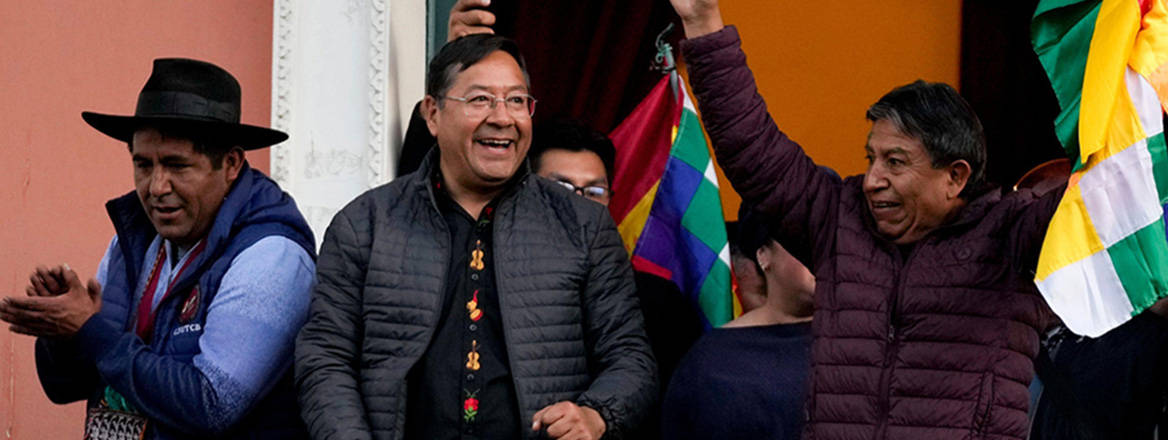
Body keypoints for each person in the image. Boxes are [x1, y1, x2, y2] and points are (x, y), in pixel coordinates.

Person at [668, 1, 1071, 438]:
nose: (872, 180)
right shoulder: (838, 219)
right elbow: (751, 148)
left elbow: (1116, 188)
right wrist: (702, 22)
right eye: (871, 158)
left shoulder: (1016, 235)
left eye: (895, 162)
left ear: (955, 176)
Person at [294, 35, 656, 440]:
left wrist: (596, 413)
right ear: (432, 114)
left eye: (517, 101)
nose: (503, 117)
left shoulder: (583, 226)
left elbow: (631, 358)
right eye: (481, 99)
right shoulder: (366, 223)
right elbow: (325, 358)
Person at [0, 58, 316, 439]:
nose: (156, 187)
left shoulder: (272, 257)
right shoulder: (133, 240)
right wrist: (63, 333)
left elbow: (212, 404)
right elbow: (66, 386)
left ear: (231, 163)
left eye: (176, 165)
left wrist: (91, 330)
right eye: (143, 165)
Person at [528, 117, 705, 439]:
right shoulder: (492, 281)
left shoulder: (659, 303)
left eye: (594, 191)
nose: (579, 204)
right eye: (560, 188)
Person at [661, 206, 815, 439]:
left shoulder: (878, 340)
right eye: (807, 237)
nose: (826, 252)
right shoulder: (714, 365)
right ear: (763, 254)